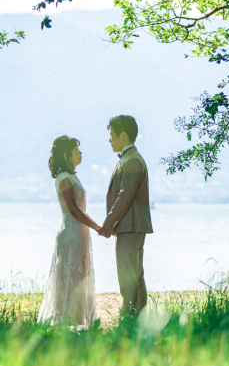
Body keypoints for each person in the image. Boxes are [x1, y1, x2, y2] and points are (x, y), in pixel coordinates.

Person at [37, 136, 101, 327]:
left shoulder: (73, 176)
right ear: (67, 155)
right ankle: (65, 318)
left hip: (80, 233)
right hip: (71, 233)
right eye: (76, 151)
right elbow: (73, 210)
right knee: (69, 278)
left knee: (80, 276)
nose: (80, 154)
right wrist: (97, 227)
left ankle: (78, 318)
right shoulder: (64, 179)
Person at [98, 115, 153, 314]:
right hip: (131, 226)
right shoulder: (131, 159)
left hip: (130, 226)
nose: (109, 139)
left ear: (123, 135)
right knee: (135, 274)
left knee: (128, 275)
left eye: (112, 135)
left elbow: (124, 196)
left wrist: (108, 223)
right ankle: (139, 314)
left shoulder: (132, 161)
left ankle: (129, 317)